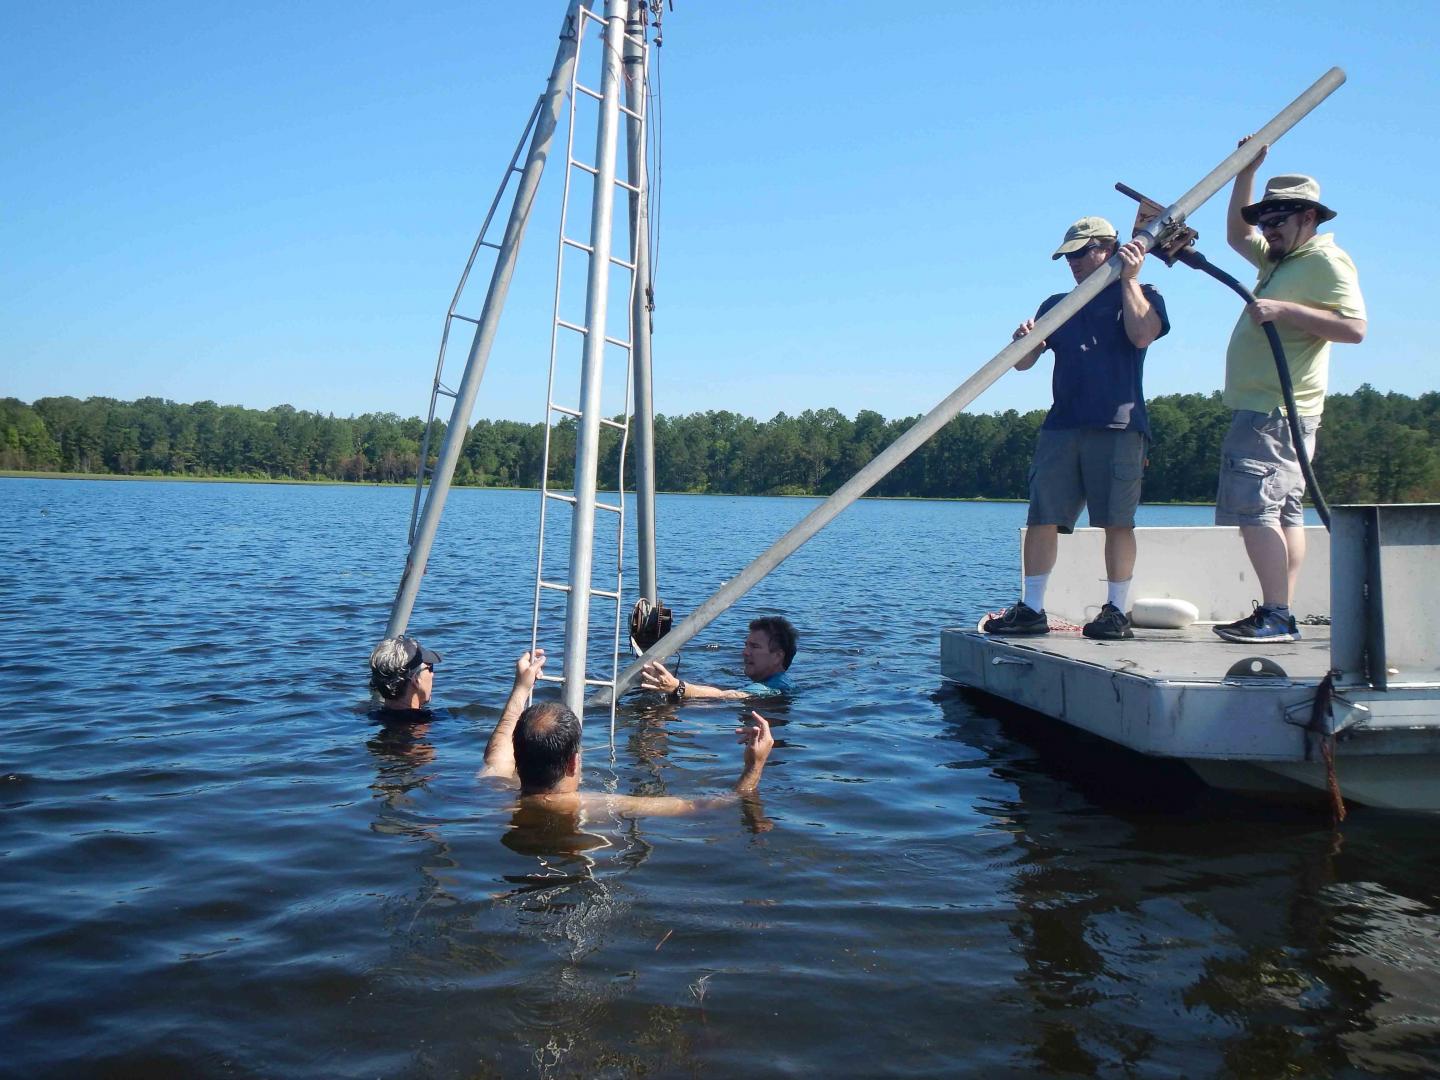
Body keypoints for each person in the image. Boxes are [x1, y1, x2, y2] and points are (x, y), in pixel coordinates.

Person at [984, 216, 1169, 641]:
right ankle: (1031, 609)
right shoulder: (1056, 305)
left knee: (1117, 522)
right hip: (1062, 428)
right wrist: (1023, 340)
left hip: (1119, 427)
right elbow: (1022, 363)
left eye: (1082, 253)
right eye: (1069, 256)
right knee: (1042, 518)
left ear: (1109, 248)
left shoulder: (1145, 295)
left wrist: (1130, 279)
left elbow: (1142, 336)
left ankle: (1116, 611)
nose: (1074, 263)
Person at [1212, 139, 1366, 643]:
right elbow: (1236, 234)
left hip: (1274, 413)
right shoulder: (1280, 260)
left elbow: (1355, 328)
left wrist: (1285, 311)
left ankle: (1277, 614)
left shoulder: (1326, 261)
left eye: (1278, 220)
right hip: (1274, 413)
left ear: (1308, 217)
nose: (1267, 229)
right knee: (1283, 513)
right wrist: (1246, 172)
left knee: (1256, 512)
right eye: (1265, 220)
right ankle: (1280, 611)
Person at [481, 648, 774, 814]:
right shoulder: (587, 805)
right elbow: (698, 805)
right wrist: (754, 768)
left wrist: (521, 688)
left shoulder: (494, 789)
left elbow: (498, 750)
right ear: (572, 763)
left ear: (518, 759)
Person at [637, 615, 797, 702]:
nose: (745, 652)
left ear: (777, 656)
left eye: (754, 647)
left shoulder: (772, 688)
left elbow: (728, 696)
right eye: (746, 645)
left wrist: (677, 686)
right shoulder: (780, 682)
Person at [368, 634, 442, 715]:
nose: (432, 674)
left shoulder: (369, 715)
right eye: (430, 668)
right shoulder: (434, 720)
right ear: (416, 680)